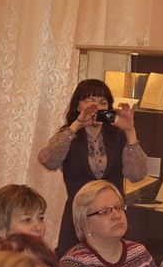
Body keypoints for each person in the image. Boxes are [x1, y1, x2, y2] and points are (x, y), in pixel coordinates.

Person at [39, 79, 148, 255]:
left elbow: (137, 174)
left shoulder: (117, 135)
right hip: (80, 217)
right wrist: (77, 125)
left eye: (103, 103)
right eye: (90, 101)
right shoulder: (68, 136)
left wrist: (130, 131)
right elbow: (48, 161)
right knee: (73, 262)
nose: (96, 108)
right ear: (77, 106)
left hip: (113, 216)